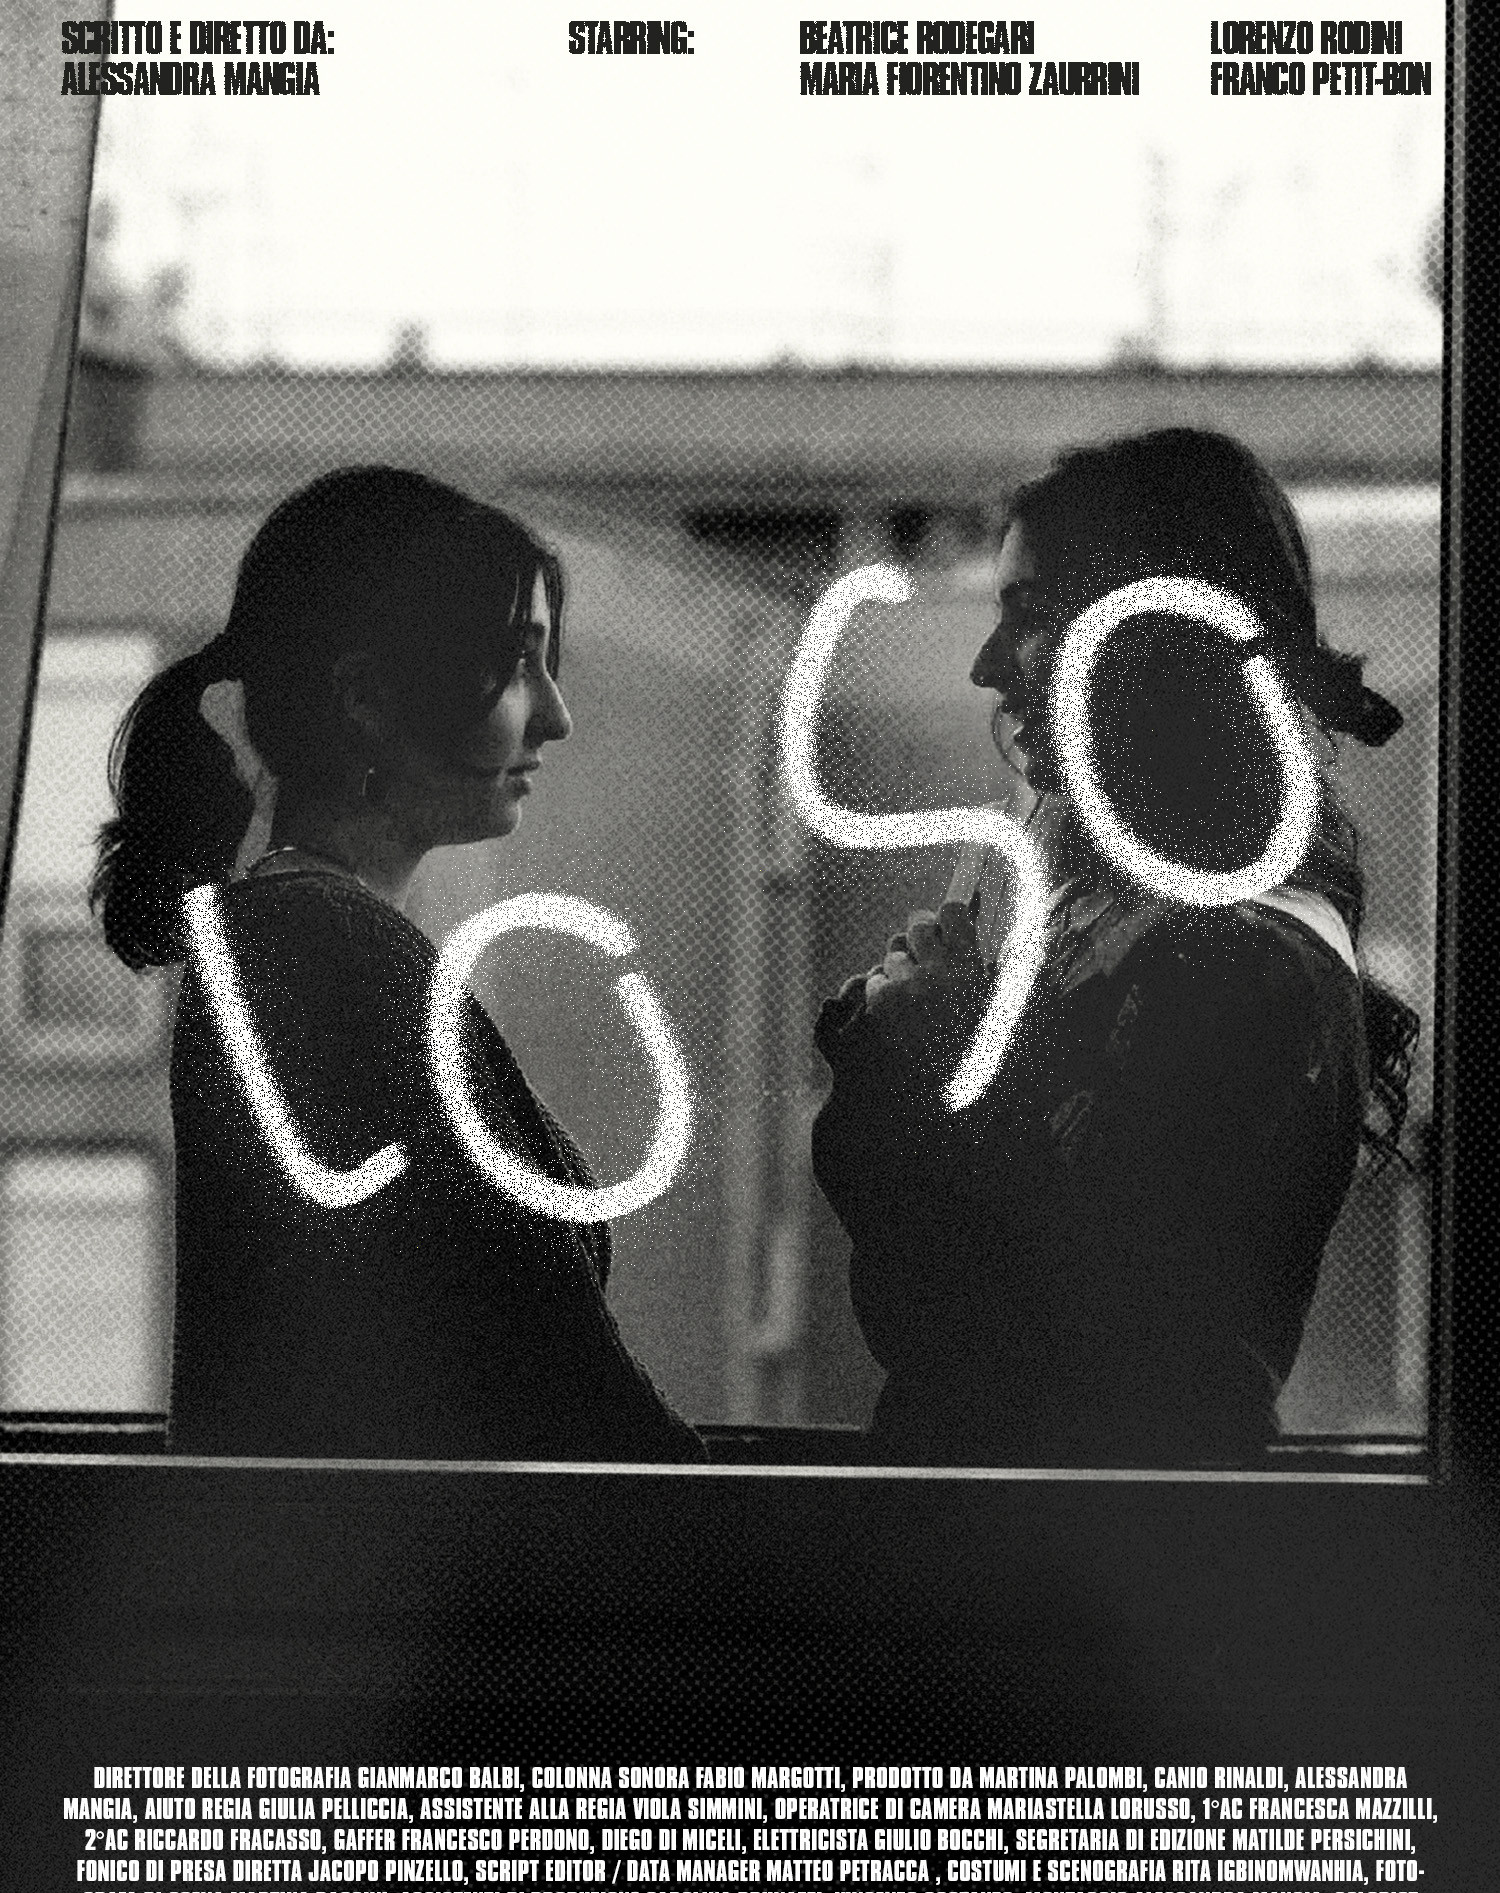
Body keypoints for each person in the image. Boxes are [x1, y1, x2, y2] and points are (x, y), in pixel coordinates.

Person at [811, 428, 1418, 1467]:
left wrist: (942, 1049)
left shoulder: (1234, 960)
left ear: (1153, 636)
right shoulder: (1133, 926)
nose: (987, 665)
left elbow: (1081, 1336)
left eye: (1030, 616)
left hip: (1083, 1544)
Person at [92, 466, 703, 1462]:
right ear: (368, 697)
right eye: (515, 662)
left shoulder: (301, 939)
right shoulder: (320, 949)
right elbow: (551, 1370)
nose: (555, 715)